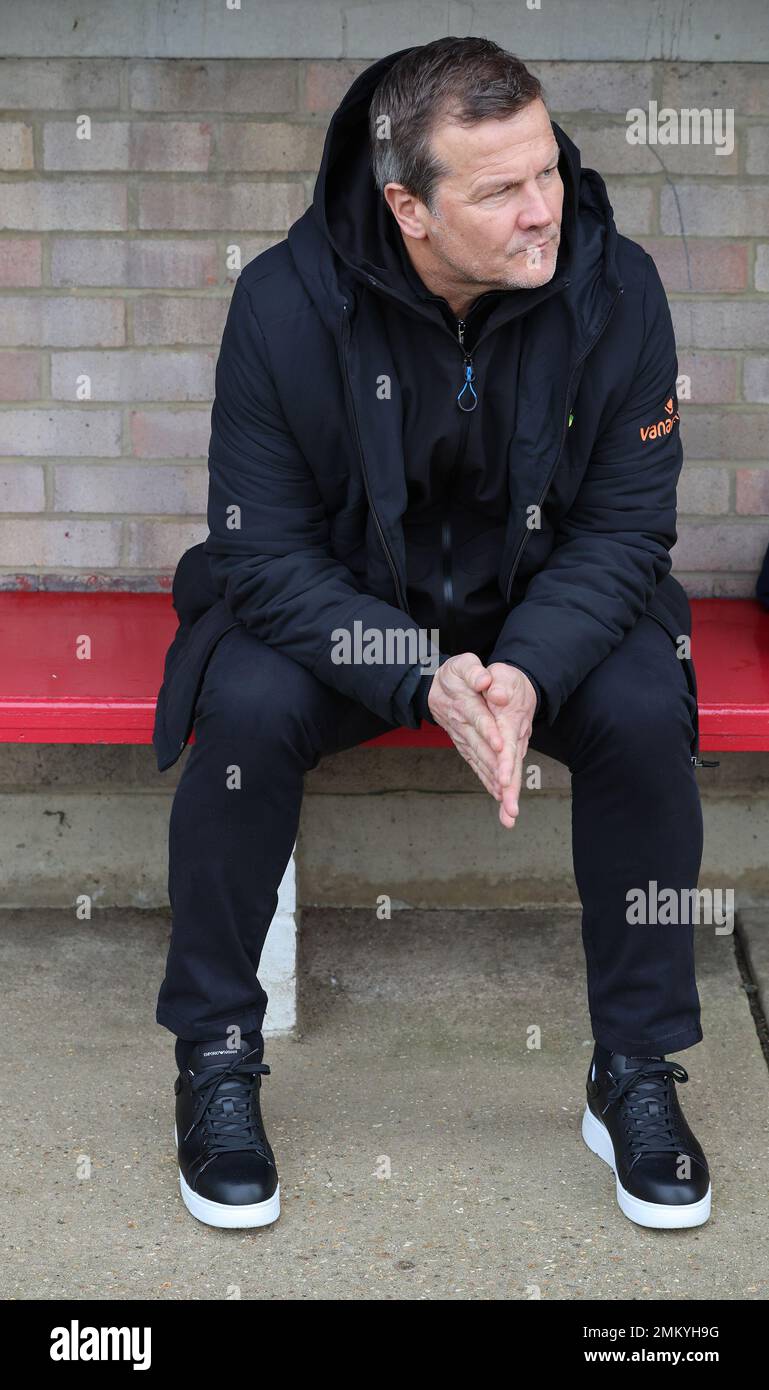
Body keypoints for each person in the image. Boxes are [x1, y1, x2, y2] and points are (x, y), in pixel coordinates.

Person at [153, 37, 711, 1232]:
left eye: (547, 168)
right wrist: (413, 669)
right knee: (242, 707)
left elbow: (625, 534)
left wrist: (519, 671)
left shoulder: (619, 289)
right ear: (407, 205)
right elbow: (261, 550)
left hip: (544, 610)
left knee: (643, 703)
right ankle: (214, 1055)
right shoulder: (284, 302)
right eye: (499, 189)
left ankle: (635, 1071)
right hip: (352, 619)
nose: (541, 208)